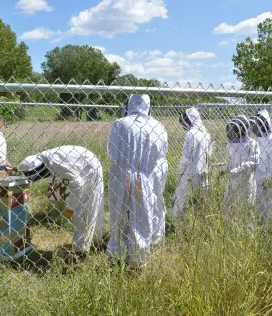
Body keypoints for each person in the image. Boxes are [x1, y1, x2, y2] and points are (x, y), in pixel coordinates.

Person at [107, 94, 168, 269]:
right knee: (142, 217)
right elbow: (161, 154)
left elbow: (111, 150)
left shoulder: (119, 124)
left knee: (117, 214)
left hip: (121, 173)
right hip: (146, 176)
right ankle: (138, 260)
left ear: (130, 104)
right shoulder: (158, 126)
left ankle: (115, 254)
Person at [20, 145, 104, 262]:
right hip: (84, 167)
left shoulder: (54, 161)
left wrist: (71, 208)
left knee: (81, 212)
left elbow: (77, 183)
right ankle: (91, 243)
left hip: (88, 169)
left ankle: (80, 252)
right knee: (84, 210)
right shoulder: (48, 160)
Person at [171, 107, 212, 217]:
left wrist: (179, 176)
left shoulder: (191, 134)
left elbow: (186, 158)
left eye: (185, 121)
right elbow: (208, 156)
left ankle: (177, 230)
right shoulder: (206, 134)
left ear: (190, 120)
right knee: (197, 207)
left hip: (189, 175)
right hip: (203, 176)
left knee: (180, 207)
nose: (183, 125)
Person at [221, 115, 260, 224]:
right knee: (227, 206)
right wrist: (224, 169)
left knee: (246, 210)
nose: (234, 128)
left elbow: (254, 162)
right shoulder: (231, 144)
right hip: (232, 182)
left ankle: (247, 234)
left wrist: (238, 170)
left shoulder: (252, 144)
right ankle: (229, 231)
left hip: (246, 183)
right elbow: (230, 161)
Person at [250, 110, 272, 224]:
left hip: (268, 179)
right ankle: (261, 223)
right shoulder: (257, 139)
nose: (258, 126)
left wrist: (269, 178)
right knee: (258, 203)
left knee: (270, 203)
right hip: (257, 177)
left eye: (260, 123)